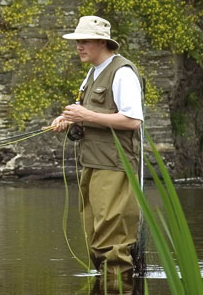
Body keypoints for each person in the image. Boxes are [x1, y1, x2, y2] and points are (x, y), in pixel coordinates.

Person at [51, 15, 144, 278]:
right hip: (91, 163)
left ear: (102, 42)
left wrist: (85, 117)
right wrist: (65, 119)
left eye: (84, 41)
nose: (79, 47)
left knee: (112, 240)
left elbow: (133, 120)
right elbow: (83, 111)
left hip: (115, 166)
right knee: (95, 236)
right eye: (77, 41)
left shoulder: (122, 73)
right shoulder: (92, 74)